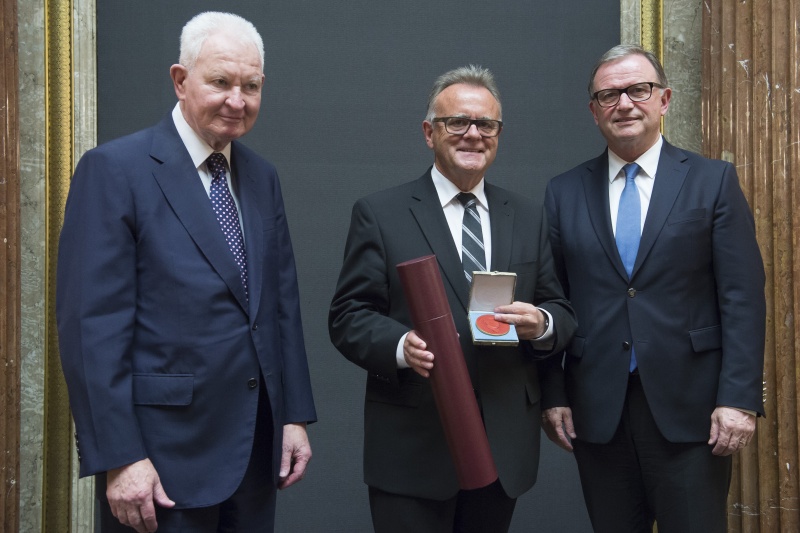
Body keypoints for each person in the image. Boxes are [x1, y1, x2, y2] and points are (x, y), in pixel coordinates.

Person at [56, 12, 316, 533]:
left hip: (255, 453)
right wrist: (121, 457)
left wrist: (292, 416)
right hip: (160, 463)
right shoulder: (114, 171)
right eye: (220, 82)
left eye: (251, 86)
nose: (236, 100)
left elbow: (280, 305)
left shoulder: (262, 178)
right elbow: (91, 329)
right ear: (180, 80)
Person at [328, 65, 577, 533]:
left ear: (498, 134)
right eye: (457, 122)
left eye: (486, 124)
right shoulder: (381, 214)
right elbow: (347, 316)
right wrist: (401, 346)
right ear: (429, 132)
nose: (472, 135)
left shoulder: (527, 217)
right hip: (413, 446)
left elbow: (560, 311)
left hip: (503, 444)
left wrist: (541, 322)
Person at [540, 44, 766, 532]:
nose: (624, 103)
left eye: (637, 90)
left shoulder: (712, 181)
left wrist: (739, 398)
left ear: (663, 100)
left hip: (695, 411)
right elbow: (551, 299)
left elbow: (743, 298)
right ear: (594, 110)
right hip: (597, 412)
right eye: (609, 94)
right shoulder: (563, 192)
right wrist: (552, 393)